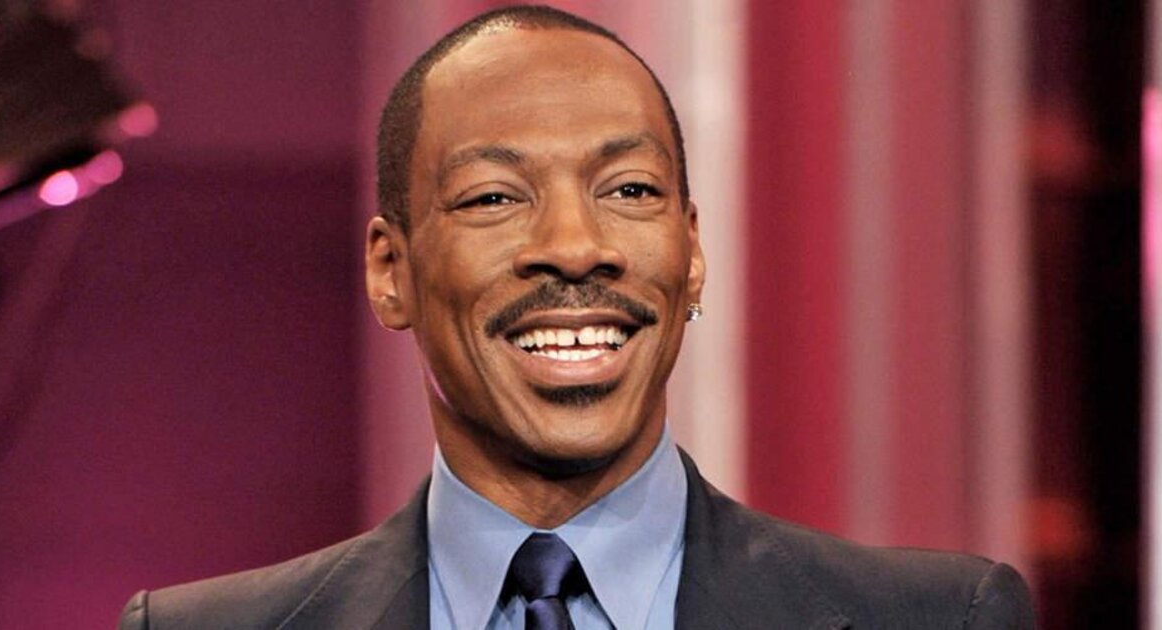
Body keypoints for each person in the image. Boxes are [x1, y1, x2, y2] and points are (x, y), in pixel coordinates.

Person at [119, 5, 1035, 629]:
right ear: (391, 272)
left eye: (629, 190)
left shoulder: (937, 619)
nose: (574, 245)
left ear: (691, 251)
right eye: (494, 197)